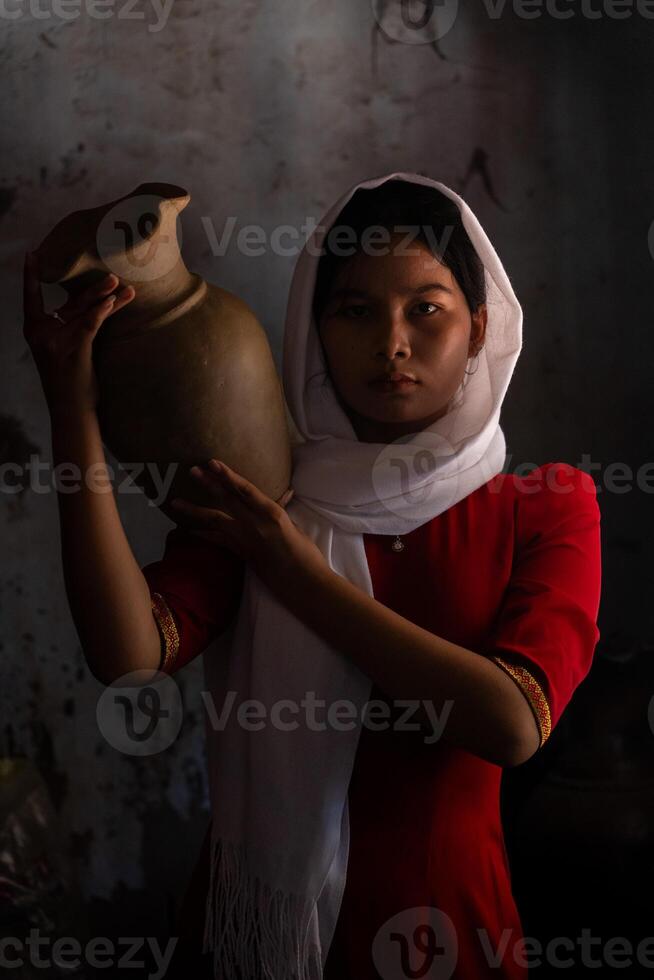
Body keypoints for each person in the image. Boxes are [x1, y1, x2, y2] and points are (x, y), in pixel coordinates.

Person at [23, 172, 602, 980]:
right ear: (314, 328)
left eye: (425, 310)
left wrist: (296, 575)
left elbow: (511, 724)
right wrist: (72, 412)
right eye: (356, 310)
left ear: (477, 330)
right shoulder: (266, 495)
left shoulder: (543, 507)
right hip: (248, 933)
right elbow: (127, 653)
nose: (391, 342)